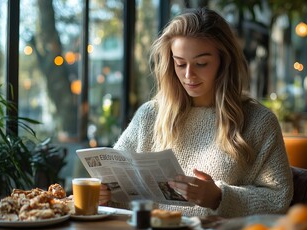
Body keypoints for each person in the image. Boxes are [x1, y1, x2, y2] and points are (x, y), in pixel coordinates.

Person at [99, 8, 293, 218]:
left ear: (223, 61)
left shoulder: (258, 122)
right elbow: (115, 186)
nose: (189, 75)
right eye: (180, 63)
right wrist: (104, 194)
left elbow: (278, 199)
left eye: (201, 63)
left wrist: (219, 197)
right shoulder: (150, 116)